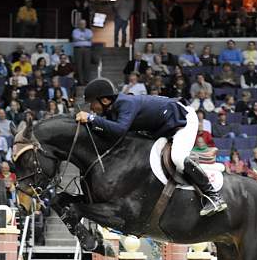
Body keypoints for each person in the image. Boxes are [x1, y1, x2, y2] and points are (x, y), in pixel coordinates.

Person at [78, 77, 227, 216]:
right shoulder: (113, 111)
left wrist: (91, 118)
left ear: (104, 100)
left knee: (178, 157)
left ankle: (214, 196)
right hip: (163, 127)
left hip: (182, 120)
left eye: (92, 103)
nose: (91, 107)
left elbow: (119, 130)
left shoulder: (125, 103)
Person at [72, 19, 93, 85]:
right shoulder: (75, 31)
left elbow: (90, 37)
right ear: (78, 24)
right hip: (78, 49)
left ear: (85, 24)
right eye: (81, 24)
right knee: (79, 66)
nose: (82, 25)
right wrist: (85, 38)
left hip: (87, 49)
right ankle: (80, 82)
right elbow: (75, 38)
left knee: (87, 65)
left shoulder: (89, 31)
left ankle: (87, 81)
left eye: (83, 24)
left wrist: (81, 38)